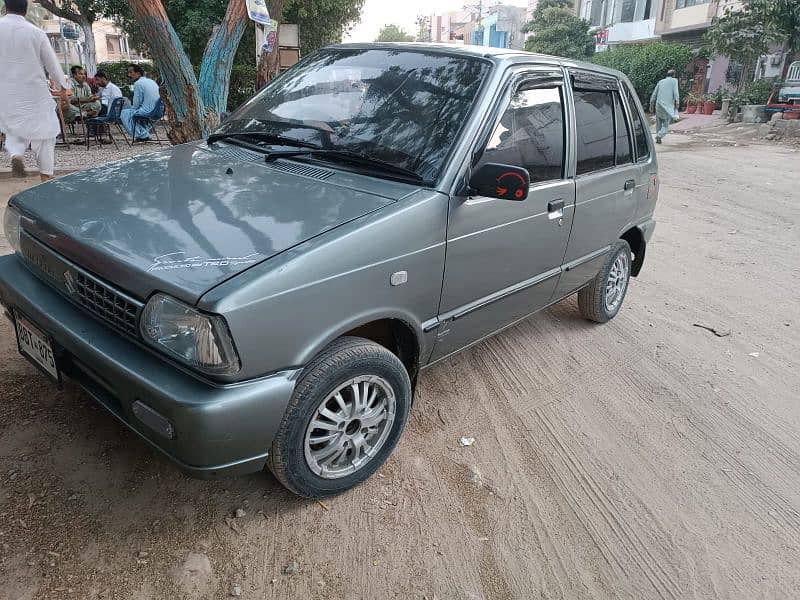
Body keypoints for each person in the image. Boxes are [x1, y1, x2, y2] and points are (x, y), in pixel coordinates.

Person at [0, 0, 69, 181]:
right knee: (45, 133)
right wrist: (63, 88)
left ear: (5, 7)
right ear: (26, 9)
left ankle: (16, 154)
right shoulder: (36, 33)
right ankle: (45, 177)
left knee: (13, 128)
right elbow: (52, 65)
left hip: (6, 94)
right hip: (34, 93)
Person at [120, 64, 160, 142]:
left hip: (149, 111)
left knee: (124, 113)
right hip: (158, 110)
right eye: (128, 73)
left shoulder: (138, 84)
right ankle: (143, 133)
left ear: (138, 73)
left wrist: (131, 110)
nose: (129, 75)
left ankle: (142, 135)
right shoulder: (151, 81)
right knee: (134, 112)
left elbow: (136, 104)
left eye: (131, 72)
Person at [649, 69, 680, 144]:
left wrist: (651, 104)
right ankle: (659, 135)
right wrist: (677, 102)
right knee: (665, 124)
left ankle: (658, 136)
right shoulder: (674, 81)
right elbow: (676, 92)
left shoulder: (661, 81)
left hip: (658, 105)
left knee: (658, 123)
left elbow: (654, 93)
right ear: (673, 75)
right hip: (667, 107)